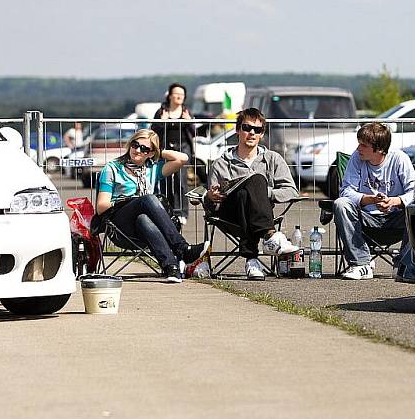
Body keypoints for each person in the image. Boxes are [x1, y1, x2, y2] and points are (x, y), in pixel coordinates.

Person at [96, 129, 207, 283]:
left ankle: (171, 267)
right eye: (135, 145)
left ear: (150, 153)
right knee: (148, 199)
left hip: (143, 229)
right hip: (119, 226)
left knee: (143, 218)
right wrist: (129, 201)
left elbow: (182, 159)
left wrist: (158, 153)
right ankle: (182, 248)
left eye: (144, 149)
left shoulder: (151, 169)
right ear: (130, 144)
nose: (137, 150)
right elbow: (101, 206)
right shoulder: (112, 168)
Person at [205, 108, 299, 280]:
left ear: (262, 134)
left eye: (257, 130)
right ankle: (270, 236)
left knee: (250, 189)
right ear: (237, 130)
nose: (252, 133)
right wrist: (210, 197)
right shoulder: (220, 163)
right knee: (252, 183)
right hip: (229, 215)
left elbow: (292, 191)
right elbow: (211, 201)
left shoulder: (272, 159)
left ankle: (251, 260)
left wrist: (263, 193)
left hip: (257, 215)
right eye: (247, 128)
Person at [334, 123, 415, 280]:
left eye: (363, 145)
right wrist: (371, 199)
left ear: (379, 149)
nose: (359, 148)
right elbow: (346, 191)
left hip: (396, 218)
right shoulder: (356, 158)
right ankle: (361, 264)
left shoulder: (399, 159)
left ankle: (402, 264)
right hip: (366, 218)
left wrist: (394, 201)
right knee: (341, 204)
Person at [152, 83, 196, 226]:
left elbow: (193, 132)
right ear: (170, 95)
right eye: (176, 94)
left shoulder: (186, 112)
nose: (179, 97)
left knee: (180, 181)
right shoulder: (161, 112)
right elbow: (153, 130)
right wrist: (162, 121)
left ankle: (181, 212)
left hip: (182, 149)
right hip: (165, 150)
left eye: (182, 94)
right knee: (164, 180)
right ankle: (166, 211)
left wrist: (189, 122)